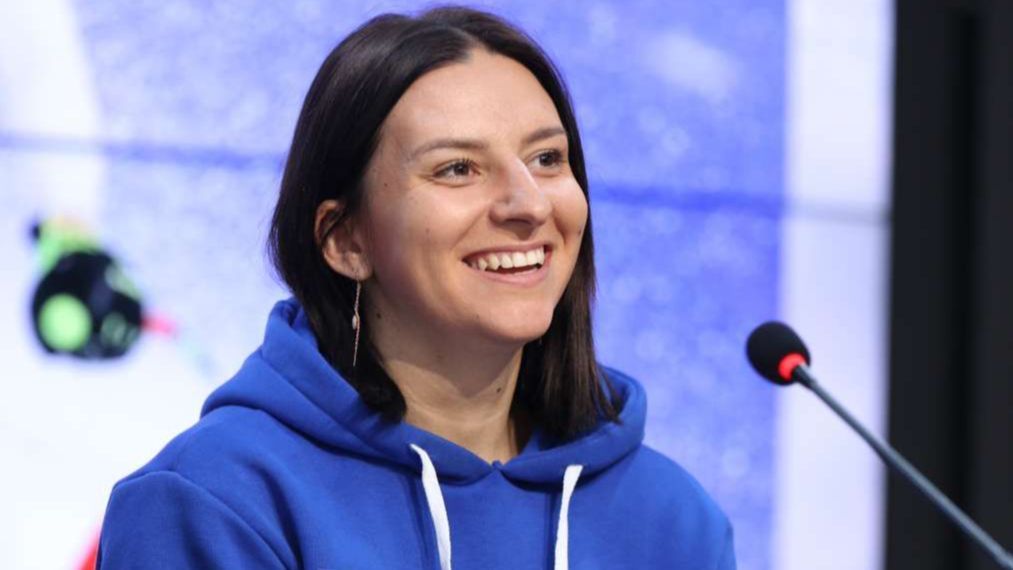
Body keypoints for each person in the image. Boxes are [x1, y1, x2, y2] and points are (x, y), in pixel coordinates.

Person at [97, 6, 736, 569]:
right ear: (344, 239)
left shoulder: (674, 521)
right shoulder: (217, 499)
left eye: (547, 159)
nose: (529, 204)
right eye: (458, 169)